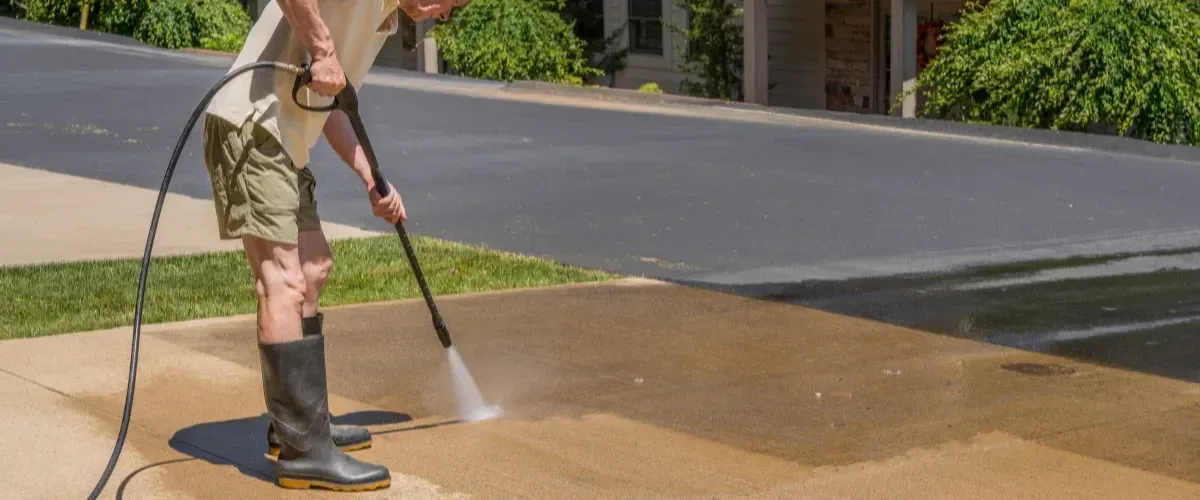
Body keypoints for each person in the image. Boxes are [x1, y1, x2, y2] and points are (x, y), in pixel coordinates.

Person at [200, 0, 465, 491]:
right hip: (253, 127)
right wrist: (321, 48)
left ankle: (302, 425)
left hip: (284, 140)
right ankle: (304, 452)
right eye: (452, 6)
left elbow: (334, 103)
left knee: (315, 266)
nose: (444, 17)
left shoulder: (382, 20)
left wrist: (371, 178)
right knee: (283, 281)